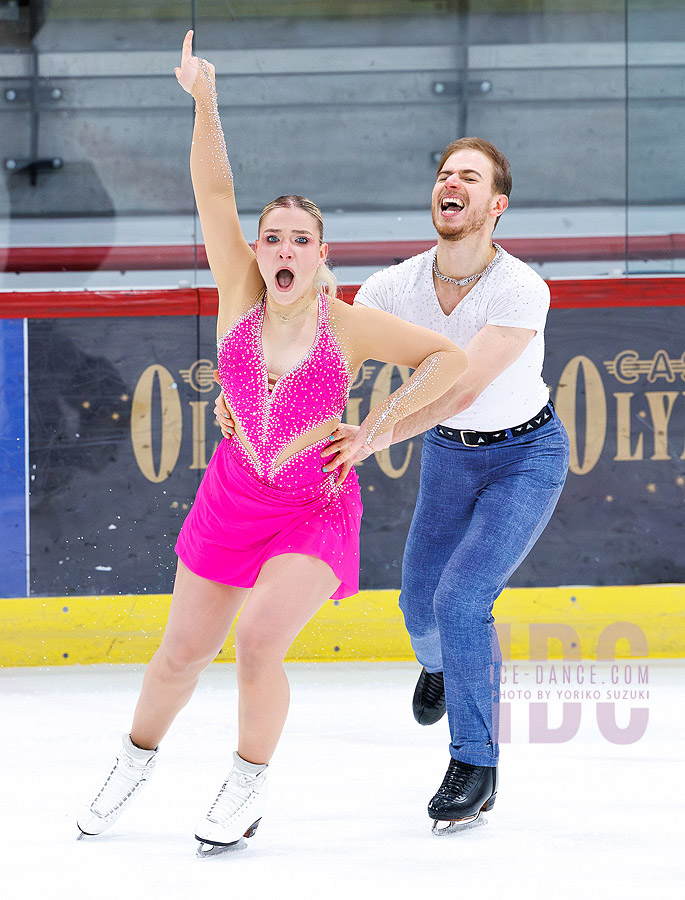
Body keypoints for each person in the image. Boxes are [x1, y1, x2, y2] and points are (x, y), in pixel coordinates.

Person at [76, 31, 467, 856]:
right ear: (257, 250)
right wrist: (205, 101)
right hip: (232, 494)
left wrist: (377, 430)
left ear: (321, 256)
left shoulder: (347, 323)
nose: (282, 249)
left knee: (257, 642)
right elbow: (213, 193)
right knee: (181, 653)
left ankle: (246, 785)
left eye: (299, 240)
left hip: (313, 505)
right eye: (271, 237)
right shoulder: (235, 293)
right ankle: (131, 761)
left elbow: (446, 358)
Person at [216, 136, 570, 835]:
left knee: (461, 597)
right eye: (444, 174)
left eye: (469, 177)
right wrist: (247, 387)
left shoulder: (521, 288)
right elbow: (314, 338)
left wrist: (370, 436)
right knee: (418, 606)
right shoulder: (391, 287)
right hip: (446, 458)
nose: (452, 183)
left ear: (494, 204)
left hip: (524, 456)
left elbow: (461, 387)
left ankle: (475, 764)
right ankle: (442, 665)